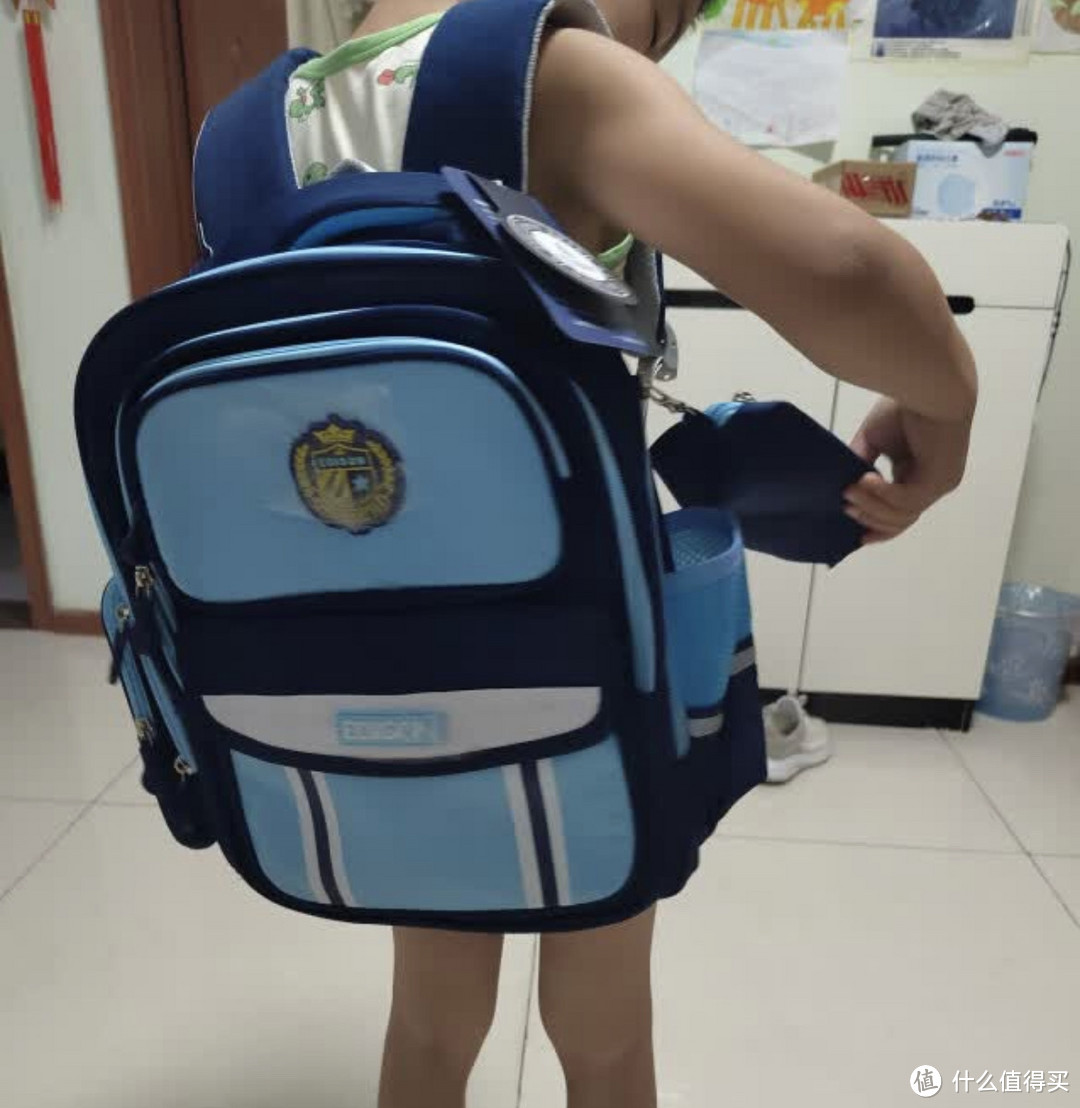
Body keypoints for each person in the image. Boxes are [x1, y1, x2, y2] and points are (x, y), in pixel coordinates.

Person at [285, 1, 978, 1105]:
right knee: (602, 1025)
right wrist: (950, 413)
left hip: (372, 651)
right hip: (570, 648)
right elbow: (851, 272)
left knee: (430, 1015)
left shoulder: (280, 116)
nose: (655, 42)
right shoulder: (545, 72)